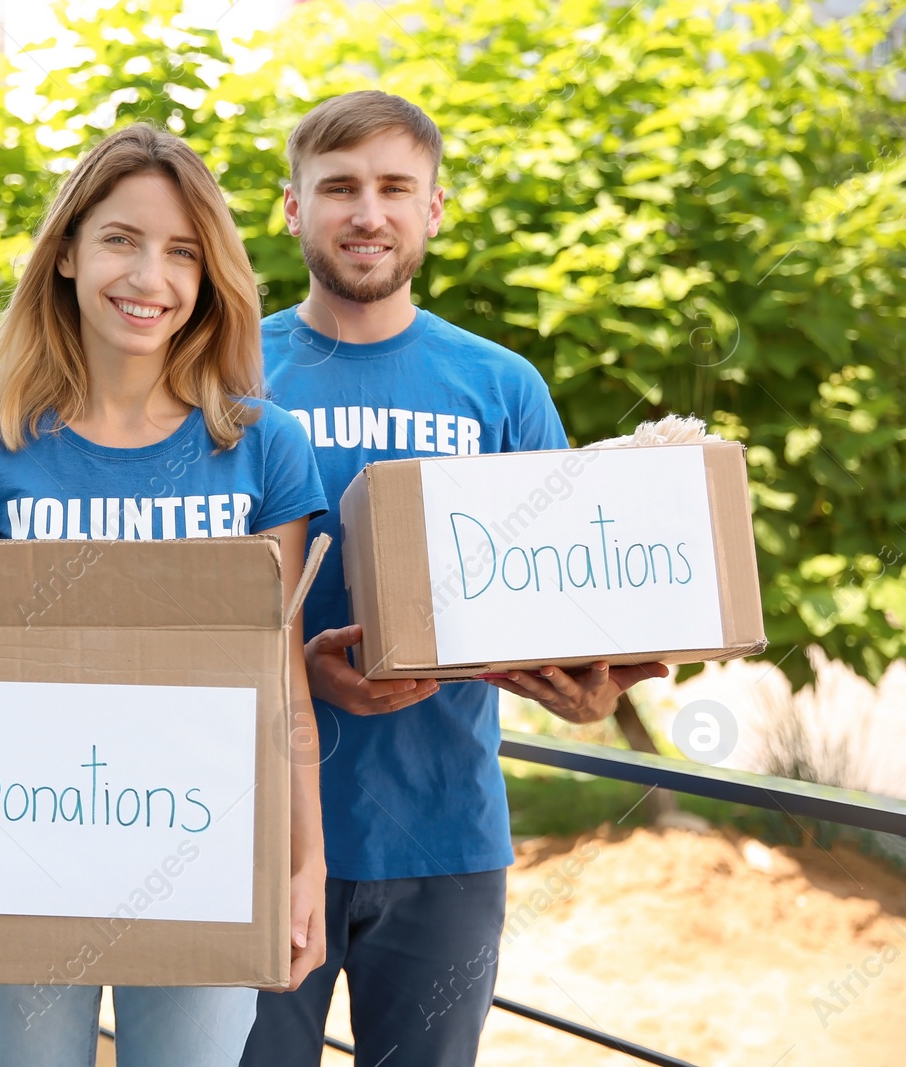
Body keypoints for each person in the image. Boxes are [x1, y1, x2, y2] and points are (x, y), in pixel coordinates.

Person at [0, 123, 329, 1067]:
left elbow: (279, 677)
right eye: (122, 239)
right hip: (20, 848)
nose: (150, 277)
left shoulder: (262, 446)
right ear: (68, 254)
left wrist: (305, 860)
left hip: (206, 849)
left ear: (210, 278)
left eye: (182, 253)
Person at [240, 91, 668, 1067]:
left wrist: (588, 681)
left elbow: (572, 590)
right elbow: (182, 595)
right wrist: (300, 669)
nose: (367, 212)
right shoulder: (228, 373)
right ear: (292, 207)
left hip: (445, 835)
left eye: (395, 188)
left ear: (433, 209)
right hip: (256, 831)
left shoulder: (501, 385)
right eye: (338, 186)